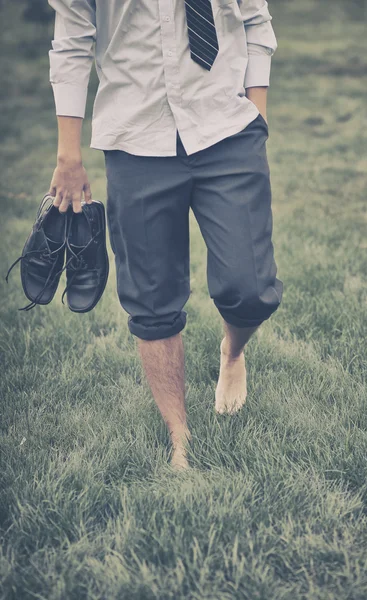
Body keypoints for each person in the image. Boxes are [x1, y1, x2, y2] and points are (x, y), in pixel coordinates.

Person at [46, 0, 283, 470]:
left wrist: (257, 116)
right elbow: (71, 42)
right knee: (151, 298)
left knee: (251, 288)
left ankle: (232, 352)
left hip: (227, 128)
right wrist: (68, 155)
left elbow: (256, 20)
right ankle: (180, 437)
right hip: (136, 136)